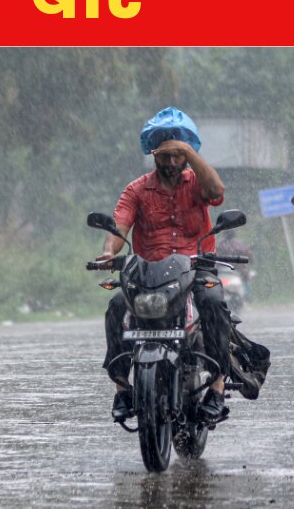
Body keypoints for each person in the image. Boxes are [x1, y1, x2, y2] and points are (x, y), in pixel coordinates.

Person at [99, 108, 232, 423]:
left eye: (178, 155)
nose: (172, 162)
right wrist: (108, 252)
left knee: (213, 301)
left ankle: (216, 386)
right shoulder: (136, 190)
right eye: (165, 155)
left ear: (187, 153)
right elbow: (119, 229)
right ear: (153, 154)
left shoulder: (197, 183)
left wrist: (188, 150)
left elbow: (217, 192)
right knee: (117, 304)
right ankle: (121, 388)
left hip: (198, 269)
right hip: (148, 274)